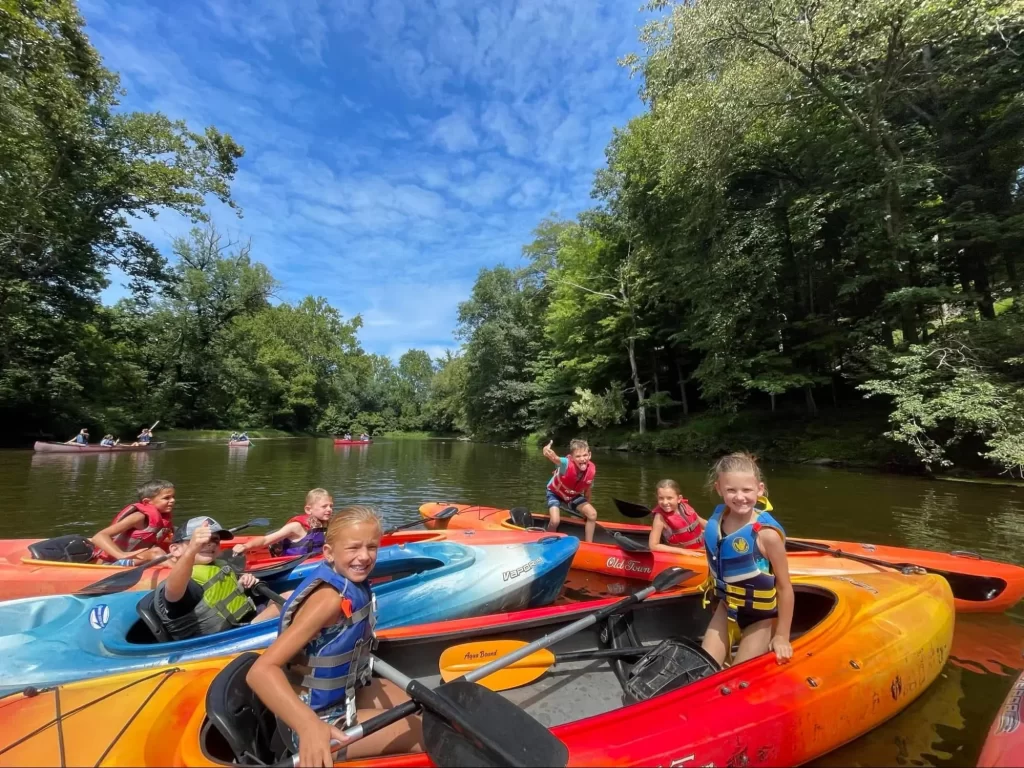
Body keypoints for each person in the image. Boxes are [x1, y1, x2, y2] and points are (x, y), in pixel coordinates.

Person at [247, 506, 422, 767]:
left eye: (371, 547)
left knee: (429, 709)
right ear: (329, 553)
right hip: (314, 722)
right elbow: (260, 672)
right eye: (353, 548)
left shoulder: (351, 584)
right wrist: (307, 726)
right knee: (430, 733)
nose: (364, 557)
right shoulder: (328, 600)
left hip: (344, 694)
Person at [701, 452, 793, 667]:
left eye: (747, 490)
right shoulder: (716, 522)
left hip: (758, 617)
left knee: (736, 679)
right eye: (731, 490)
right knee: (703, 670)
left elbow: (785, 587)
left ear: (760, 489)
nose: (739, 497)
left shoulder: (767, 535)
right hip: (726, 608)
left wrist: (782, 636)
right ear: (719, 489)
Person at [153, 517, 285, 640]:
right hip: (230, 637)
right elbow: (173, 591)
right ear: (175, 550)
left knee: (290, 595)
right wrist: (191, 550)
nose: (210, 544)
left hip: (248, 620)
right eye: (202, 541)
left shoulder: (217, 566)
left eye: (215, 540)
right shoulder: (188, 584)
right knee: (292, 603)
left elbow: (221, 594)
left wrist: (241, 584)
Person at [90, 479, 176, 564]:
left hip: (136, 559)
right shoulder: (138, 517)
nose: (173, 500)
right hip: (111, 562)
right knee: (156, 552)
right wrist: (121, 554)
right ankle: (180, 575)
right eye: (166, 498)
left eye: (173, 497)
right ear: (147, 501)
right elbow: (99, 537)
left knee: (178, 549)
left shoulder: (163, 519)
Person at [233, 489, 333, 559]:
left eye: (331, 506)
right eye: (324, 506)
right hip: (293, 566)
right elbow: (266, 540)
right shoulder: (296, 527)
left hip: (317, 562)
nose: (329, 509)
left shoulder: (329, 525)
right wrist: (246, 546)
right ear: (308, 509)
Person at [542, 438, 598, 543]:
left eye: (585, 455)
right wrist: (546, 450)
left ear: (589, 455)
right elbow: (554, 458)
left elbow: (587, 492)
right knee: (555, 521)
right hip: (555, 493)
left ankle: (589, 544)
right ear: (572, 457)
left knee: (592, 514)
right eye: (578, 456)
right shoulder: (565, 463)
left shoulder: (591, 470)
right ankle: (547, 542)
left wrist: (585, 515)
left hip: (571, 496)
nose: (582, 459)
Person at [648, 478, 707, 553]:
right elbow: (653, 545)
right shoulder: (659, 518)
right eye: (661, 498)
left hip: (703, 549)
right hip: (684, 555)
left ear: (679, 499)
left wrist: (720, 530)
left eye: (669, 498)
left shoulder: (684, 507)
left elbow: (703, 523)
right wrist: (683, 551)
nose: (665, 502)